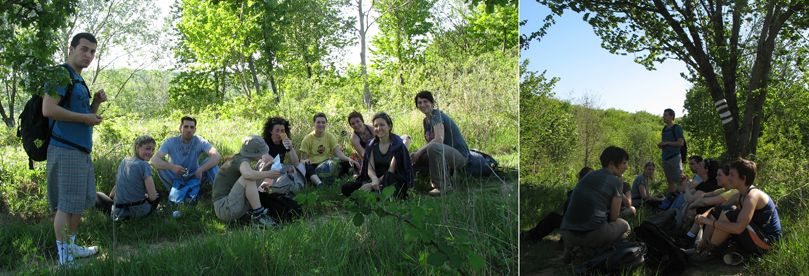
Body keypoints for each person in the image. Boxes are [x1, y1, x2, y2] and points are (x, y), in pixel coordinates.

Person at [42, 32, 106, 265]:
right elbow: (48, 109)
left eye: (92, 52)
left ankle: (71, 246)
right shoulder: (61, 73)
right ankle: (64, 257)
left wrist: (95, 104)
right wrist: (84, 118)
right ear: (71, 48)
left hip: (81, 151)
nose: (88, 55)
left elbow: (84, 115)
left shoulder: (78, 79)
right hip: (65, 149)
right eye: (84, 49)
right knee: (65, 204)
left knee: (78, 202)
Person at [689, 159, 781, 262]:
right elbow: (717, 210)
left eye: (732, 175)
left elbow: (738, 228)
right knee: (720, 210)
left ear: (743, 178)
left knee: (730, 212)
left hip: (767, 243)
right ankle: (701, 247)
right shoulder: (740, 194)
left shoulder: (752, 196)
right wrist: (704, 216)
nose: (729, 178)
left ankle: (709, 252)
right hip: (755, 236)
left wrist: (709, 222)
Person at [560, 146, 631, 262]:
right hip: (591, 235)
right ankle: (592, 252)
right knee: (625, 226)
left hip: (567, 233)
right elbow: (614, 217)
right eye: (624, 163)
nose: (626, 167)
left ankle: (573, 249)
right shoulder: (616, 181)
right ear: (612, 163)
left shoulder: (589, 175)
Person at [410, 91, 470, 197]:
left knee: (432, 148)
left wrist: (420, 151)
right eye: (419, 103)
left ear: (432, 103)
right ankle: (411, 184)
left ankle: (443, 187)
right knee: (413, 155)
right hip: (443, 154)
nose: (422, 105)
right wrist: (417, 154)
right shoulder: (426, 121)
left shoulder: (436, 116)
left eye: (425, 101)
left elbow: (439, 139)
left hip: (460, 156)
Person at [342, 112, 414, 199]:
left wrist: (373, 184)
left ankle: (372, 194)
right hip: (376, 177)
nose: (378, 128)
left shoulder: (397, 145)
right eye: (376, 126)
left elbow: (391, 170)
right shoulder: (372, 144)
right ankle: (372, 194)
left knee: (389, 181)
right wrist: (374, 179)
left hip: (391, 178)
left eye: (382, 125)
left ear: (389, 126)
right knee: (346, 187)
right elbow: (370, 168)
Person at [212, 135, 280, 227]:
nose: (262, 155)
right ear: (254, 152)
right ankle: (258, 216)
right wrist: (268, 174)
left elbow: (252, 183)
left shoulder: (240, 159)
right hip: (224, 208)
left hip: (227, 206)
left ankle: (254, 215)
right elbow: (248, 176)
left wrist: (267, 169)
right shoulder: (242, 161)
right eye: (261, 152)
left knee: (251, 177)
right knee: (248, 178)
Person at [151, 116, 221, 195]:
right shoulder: (170, 142)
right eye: (186, 127)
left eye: (192, 127)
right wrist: (172, 167)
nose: (189, 130)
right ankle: (175, 193)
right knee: (160, 167)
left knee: (211, 162)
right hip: (176, 177)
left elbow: (217, 156)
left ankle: (220, 193)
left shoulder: (199, 141)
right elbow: (154, 160)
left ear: (195, 130)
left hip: (195, 176)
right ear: (180, 128)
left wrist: (201, 169)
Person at [96, 135, 160, 221]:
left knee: (98, 194)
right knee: (158, 193)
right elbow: (152, 197)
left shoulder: (124, 161)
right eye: (148, 148)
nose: (151, 152)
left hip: (118, 211)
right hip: (137, 212)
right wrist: (148, 196)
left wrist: (112, 197)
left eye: (153, 150)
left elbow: (114, 190)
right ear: (137, 147)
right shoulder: (145, 165)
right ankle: (152, 211)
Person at [522, 167, 593, 243]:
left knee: (552, 218)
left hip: (579, 226)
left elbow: (571, 213)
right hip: (582, 224)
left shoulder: (582, 191)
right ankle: (531, 234)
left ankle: (531, 236)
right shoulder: (591, 190)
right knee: (553, 217)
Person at [258, 116, 303, 222]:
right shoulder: (264, 143)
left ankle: (282, 188)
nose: (280, 133)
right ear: (270, 131)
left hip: (279, 171)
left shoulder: (285, 142)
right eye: (277, 130)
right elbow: (266, 160)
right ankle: (268, 188)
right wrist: (283, 168)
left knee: (297, 168)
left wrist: (290, 148)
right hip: (265, 169)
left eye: (282, 130)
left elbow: (296, 162)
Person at [299, 113, 360, 186]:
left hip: (327, 163)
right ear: (314, 124)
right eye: (318, 122)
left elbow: (338, 153)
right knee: (306, 166)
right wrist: (305, 161)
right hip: (313, 165)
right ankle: (319, 183)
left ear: (326, 124)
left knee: (345, 160)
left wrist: (348, 159)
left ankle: (355, 175)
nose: (321, 124)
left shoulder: (330, 136)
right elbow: (302, 160)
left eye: (323, 122)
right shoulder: (307, 139)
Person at [659, 108, 685, 196]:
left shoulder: (677, 128)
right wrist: (662, 145)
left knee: (680, 180)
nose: (663, 117)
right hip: (665, 158)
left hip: (675, 158)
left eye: (665, 115)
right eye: (663, 115)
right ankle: (672, 200)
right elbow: (667, 144)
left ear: (671, 116)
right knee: (670, 182)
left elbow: (681, 143)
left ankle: (683, 199)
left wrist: (667, 143)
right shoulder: (664, 129)